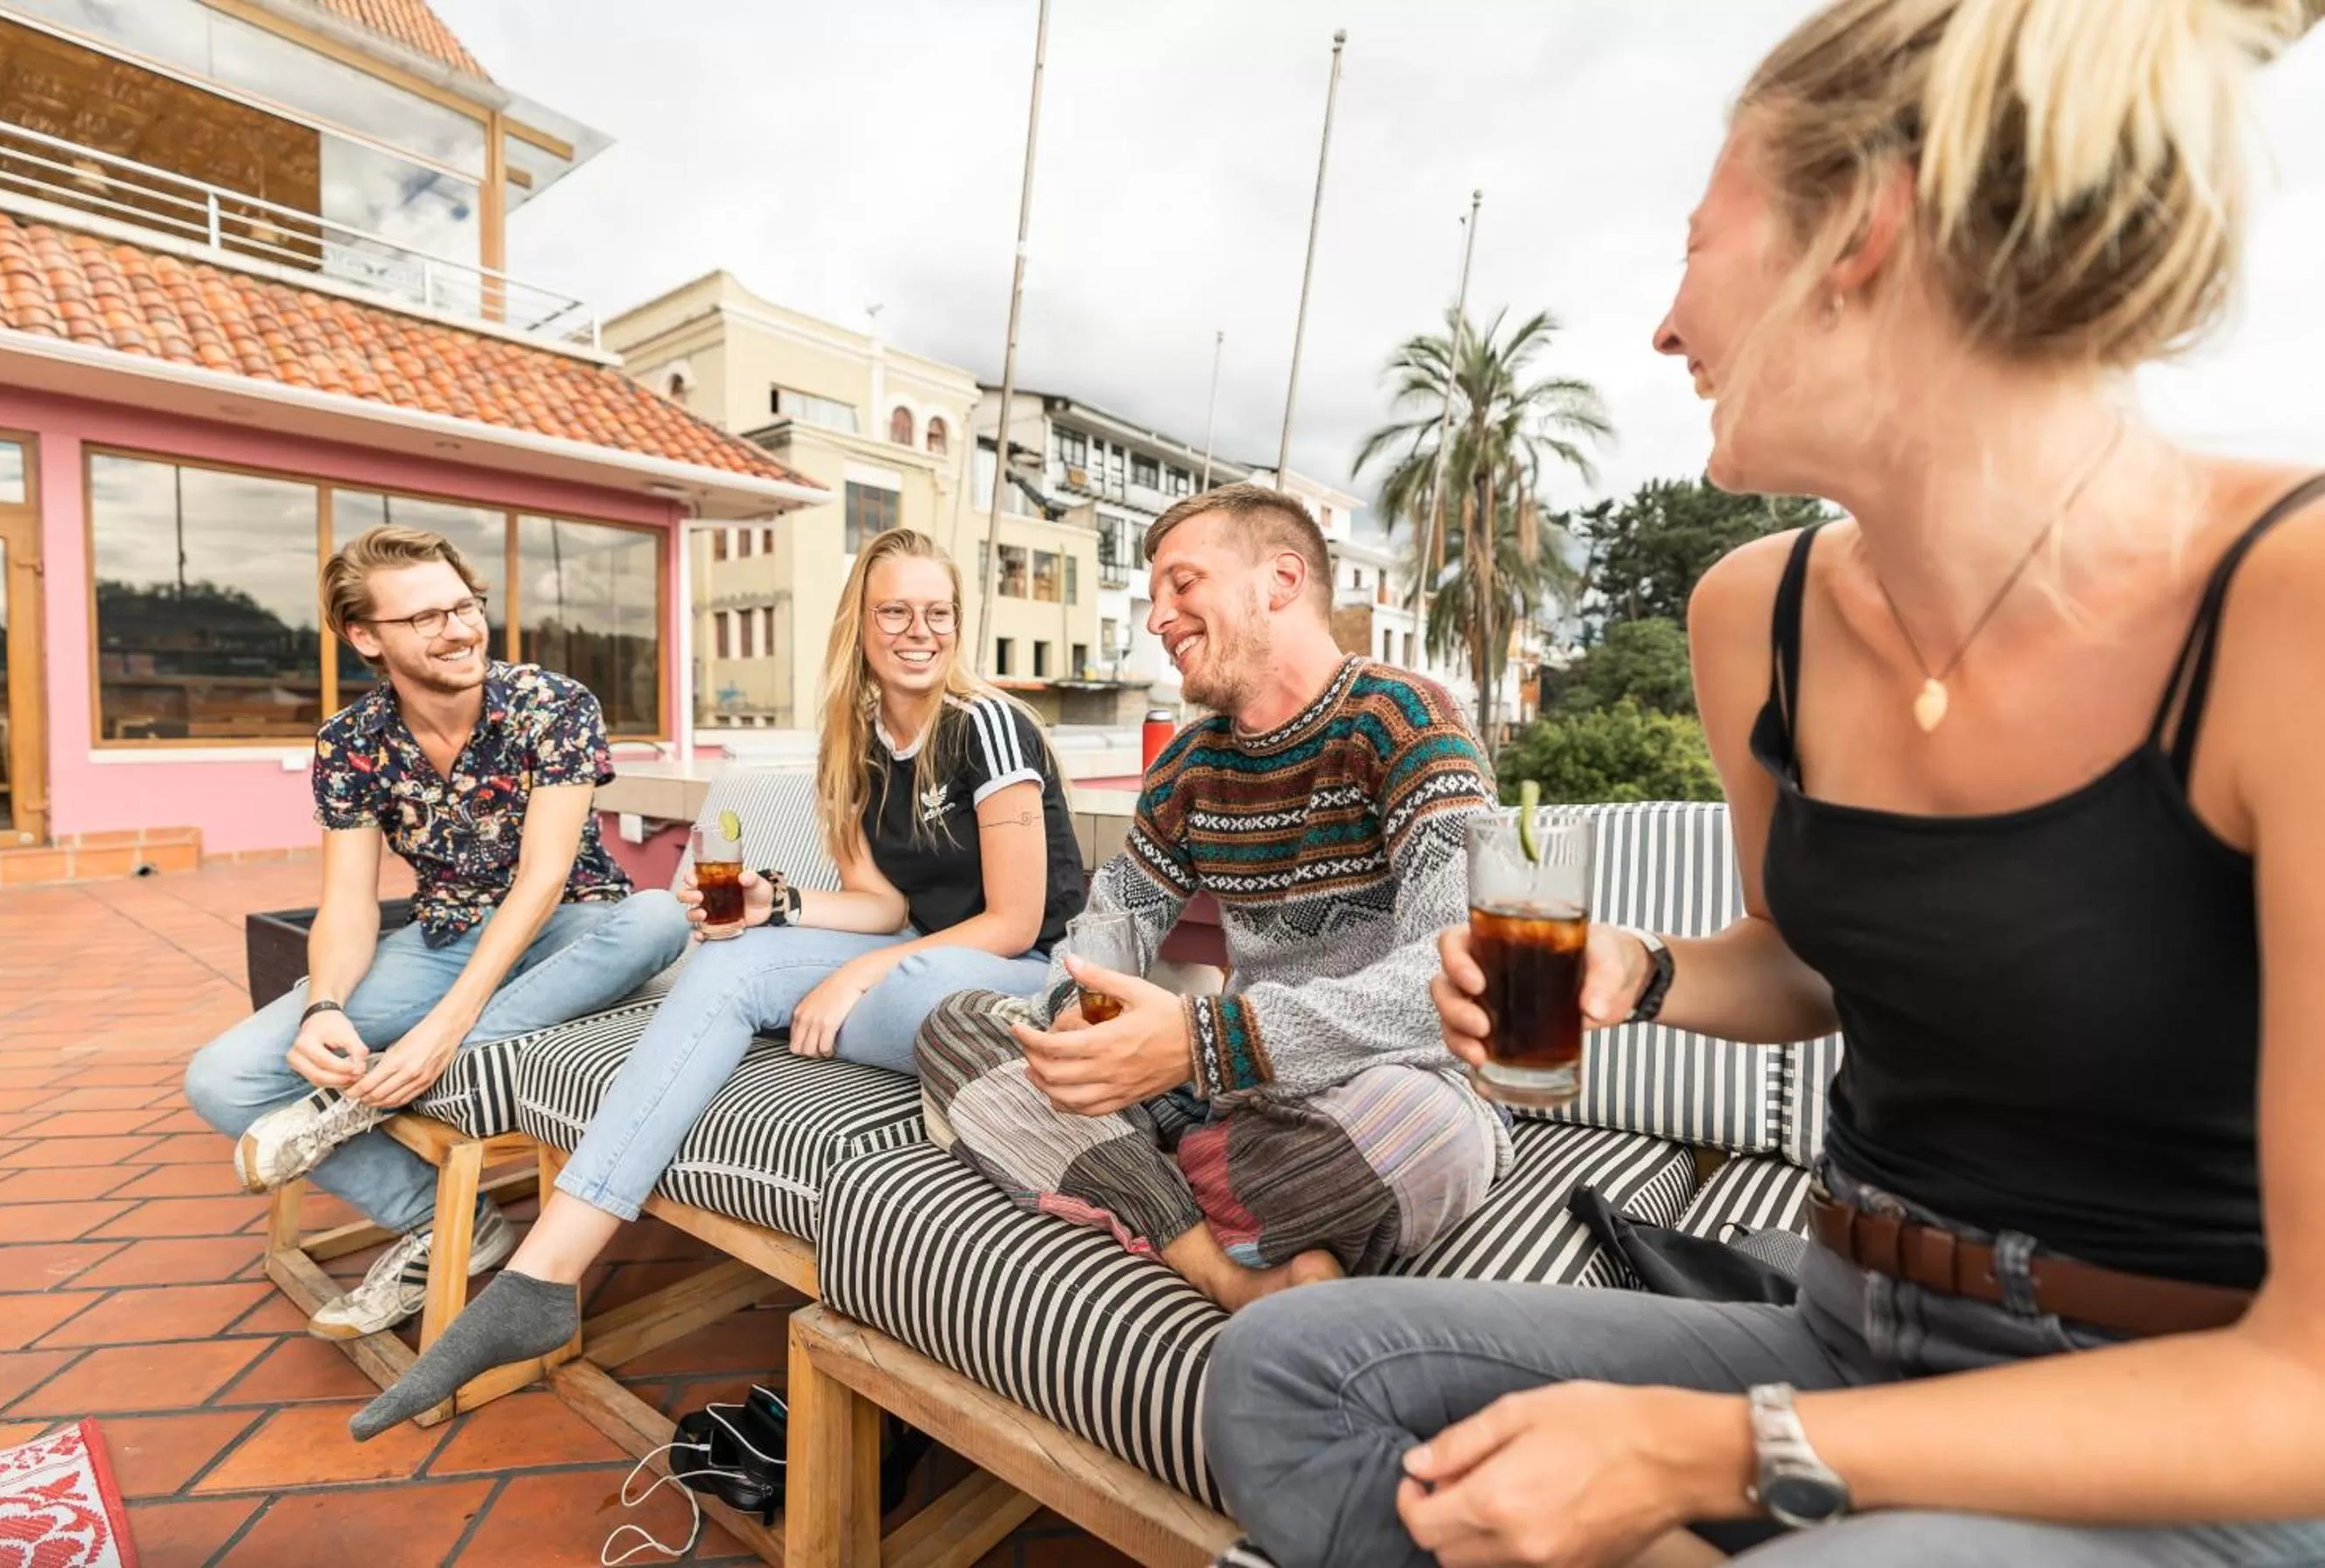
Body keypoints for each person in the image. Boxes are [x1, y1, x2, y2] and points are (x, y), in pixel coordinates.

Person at [1204, 2, 2325, 1565]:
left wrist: (1717, 1453)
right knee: (1285, 1377)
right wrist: (1636, 970)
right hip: (1845, 1321)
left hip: (2173, 1433)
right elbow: (1809, 967)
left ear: (1861, 228)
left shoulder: (2288, 603)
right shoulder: (1759, 622)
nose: (1665, 327)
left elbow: (2309, 1389)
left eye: (1695, 242)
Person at [348, 526, 1086, 1437]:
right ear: (859, 622)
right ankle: (544, 1273)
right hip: (922, 961)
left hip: (1015, 980)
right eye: (895, 610)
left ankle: (543, 1269)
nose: (919, 631)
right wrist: (773, 905)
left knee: (875, 983)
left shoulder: (989, 726)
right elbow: (881, 902)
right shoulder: (855, 740)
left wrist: (858, 974)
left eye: (938, 613)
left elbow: (1013, 923)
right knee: (733, 958)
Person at [913, 483, 1503, 1316]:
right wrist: (1074, 1016)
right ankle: (1219, 1263)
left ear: (1282, 581)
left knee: (1428, 1137)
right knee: (957, 1024)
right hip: (1222, 1099)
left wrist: (1200, 1042)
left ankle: (1124, 1175)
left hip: (1367, 1090)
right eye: (1155, 595)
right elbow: (1110, 924)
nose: (1158, 617)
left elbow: (1453, 976)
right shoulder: (1190, 765)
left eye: (1182, 585)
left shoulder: (1409, 722)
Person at [186, 525, 687, 1340]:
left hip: (573, 926)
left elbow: (544, 877)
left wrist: (441, 1032)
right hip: (445, 933)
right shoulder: (347, 743)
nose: (459, 629)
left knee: (660, 917)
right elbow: (347, 901)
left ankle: (373, 1092)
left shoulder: (552, 705)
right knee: (223, 1078)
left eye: (464, 606)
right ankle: (439, 1219)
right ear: (365, 637)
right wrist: (324, 1007)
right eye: (426, 618)